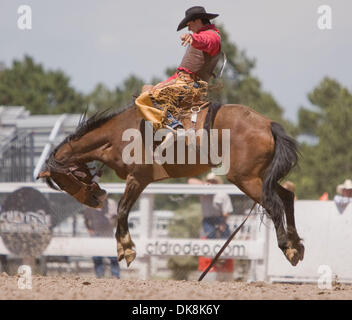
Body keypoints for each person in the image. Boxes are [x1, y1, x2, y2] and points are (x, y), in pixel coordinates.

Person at [135, 6, 222, 152]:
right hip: (183, 82)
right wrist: (161, 85)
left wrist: (194, 38)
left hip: (192, 86)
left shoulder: (211, 35)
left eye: (189, 25)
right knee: (147, 89)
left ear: (198, 20)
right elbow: (180, 75)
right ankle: (171, 127)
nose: (188, 30)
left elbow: (207, 42)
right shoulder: (201, 36)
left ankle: (175, 128)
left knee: (142, 100)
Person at [82, 197, 120, 279]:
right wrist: (90, 230)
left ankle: (115, 275)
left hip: (108, 233)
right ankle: (100, 275)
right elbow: (86, 219)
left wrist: (113, 225)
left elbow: (116, 217)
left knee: (113, 256)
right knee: (97, 256)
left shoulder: (111, 203)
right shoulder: (90, 203)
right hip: (96, 234)